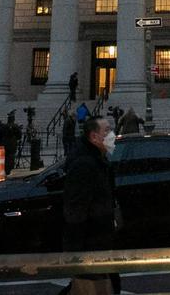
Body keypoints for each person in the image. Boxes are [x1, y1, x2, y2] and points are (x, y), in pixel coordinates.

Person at [62, 116, 121, 295]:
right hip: (91, 245)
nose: (112, 135)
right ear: (94, 137)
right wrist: (78, 254)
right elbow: (75, 211)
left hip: (99, 242)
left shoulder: (98, 160)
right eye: (107, 131)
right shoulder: (85, 165)